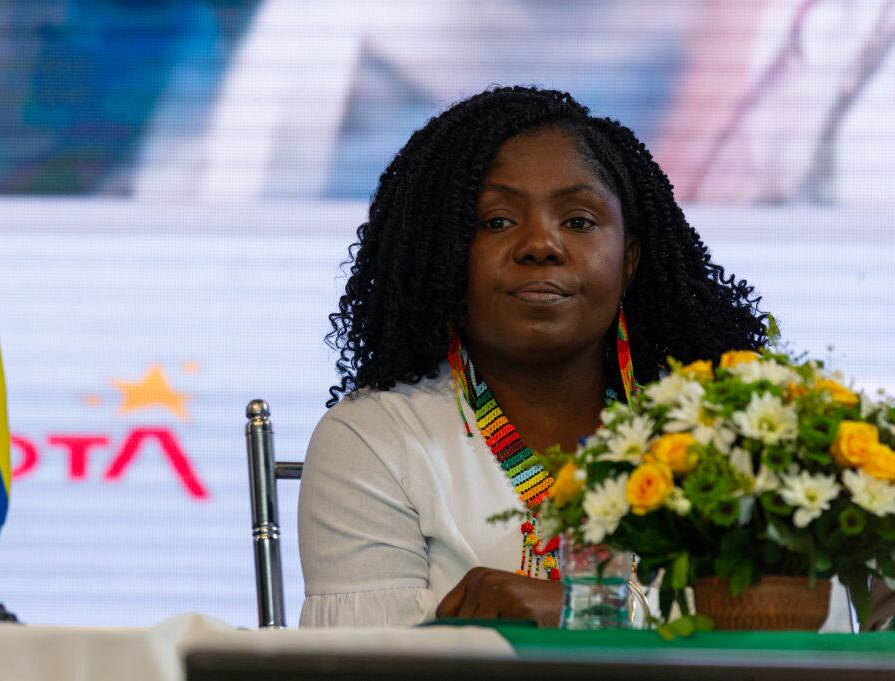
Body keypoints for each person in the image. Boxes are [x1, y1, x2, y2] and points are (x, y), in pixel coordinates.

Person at [295, 86, 882, 628]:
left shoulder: (741, 432)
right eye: (496, 221)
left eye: (579, 221)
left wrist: (586, 614)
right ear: (445, 254)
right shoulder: (374, 438)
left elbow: (815, 626)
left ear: (628, 262)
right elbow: (365, 661)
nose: (541, 246)